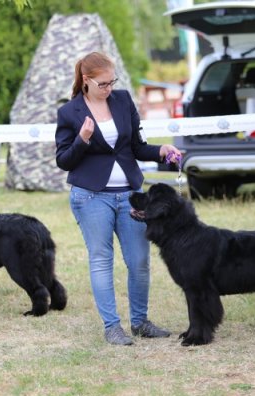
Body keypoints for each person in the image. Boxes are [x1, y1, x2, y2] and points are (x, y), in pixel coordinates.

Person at [55, 52, 182, 346]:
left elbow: (137, 147)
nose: (109, 88)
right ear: (86, 81)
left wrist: (161, 151)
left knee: (139, 261)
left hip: (131, 197)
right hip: (91, 197)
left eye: (112, 82)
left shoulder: (123, 100)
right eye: (103, 84)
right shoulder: (69, 112)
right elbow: (64, 160)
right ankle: (112, 327)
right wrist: (82, 139)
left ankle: (140, 322)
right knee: (101, 261)